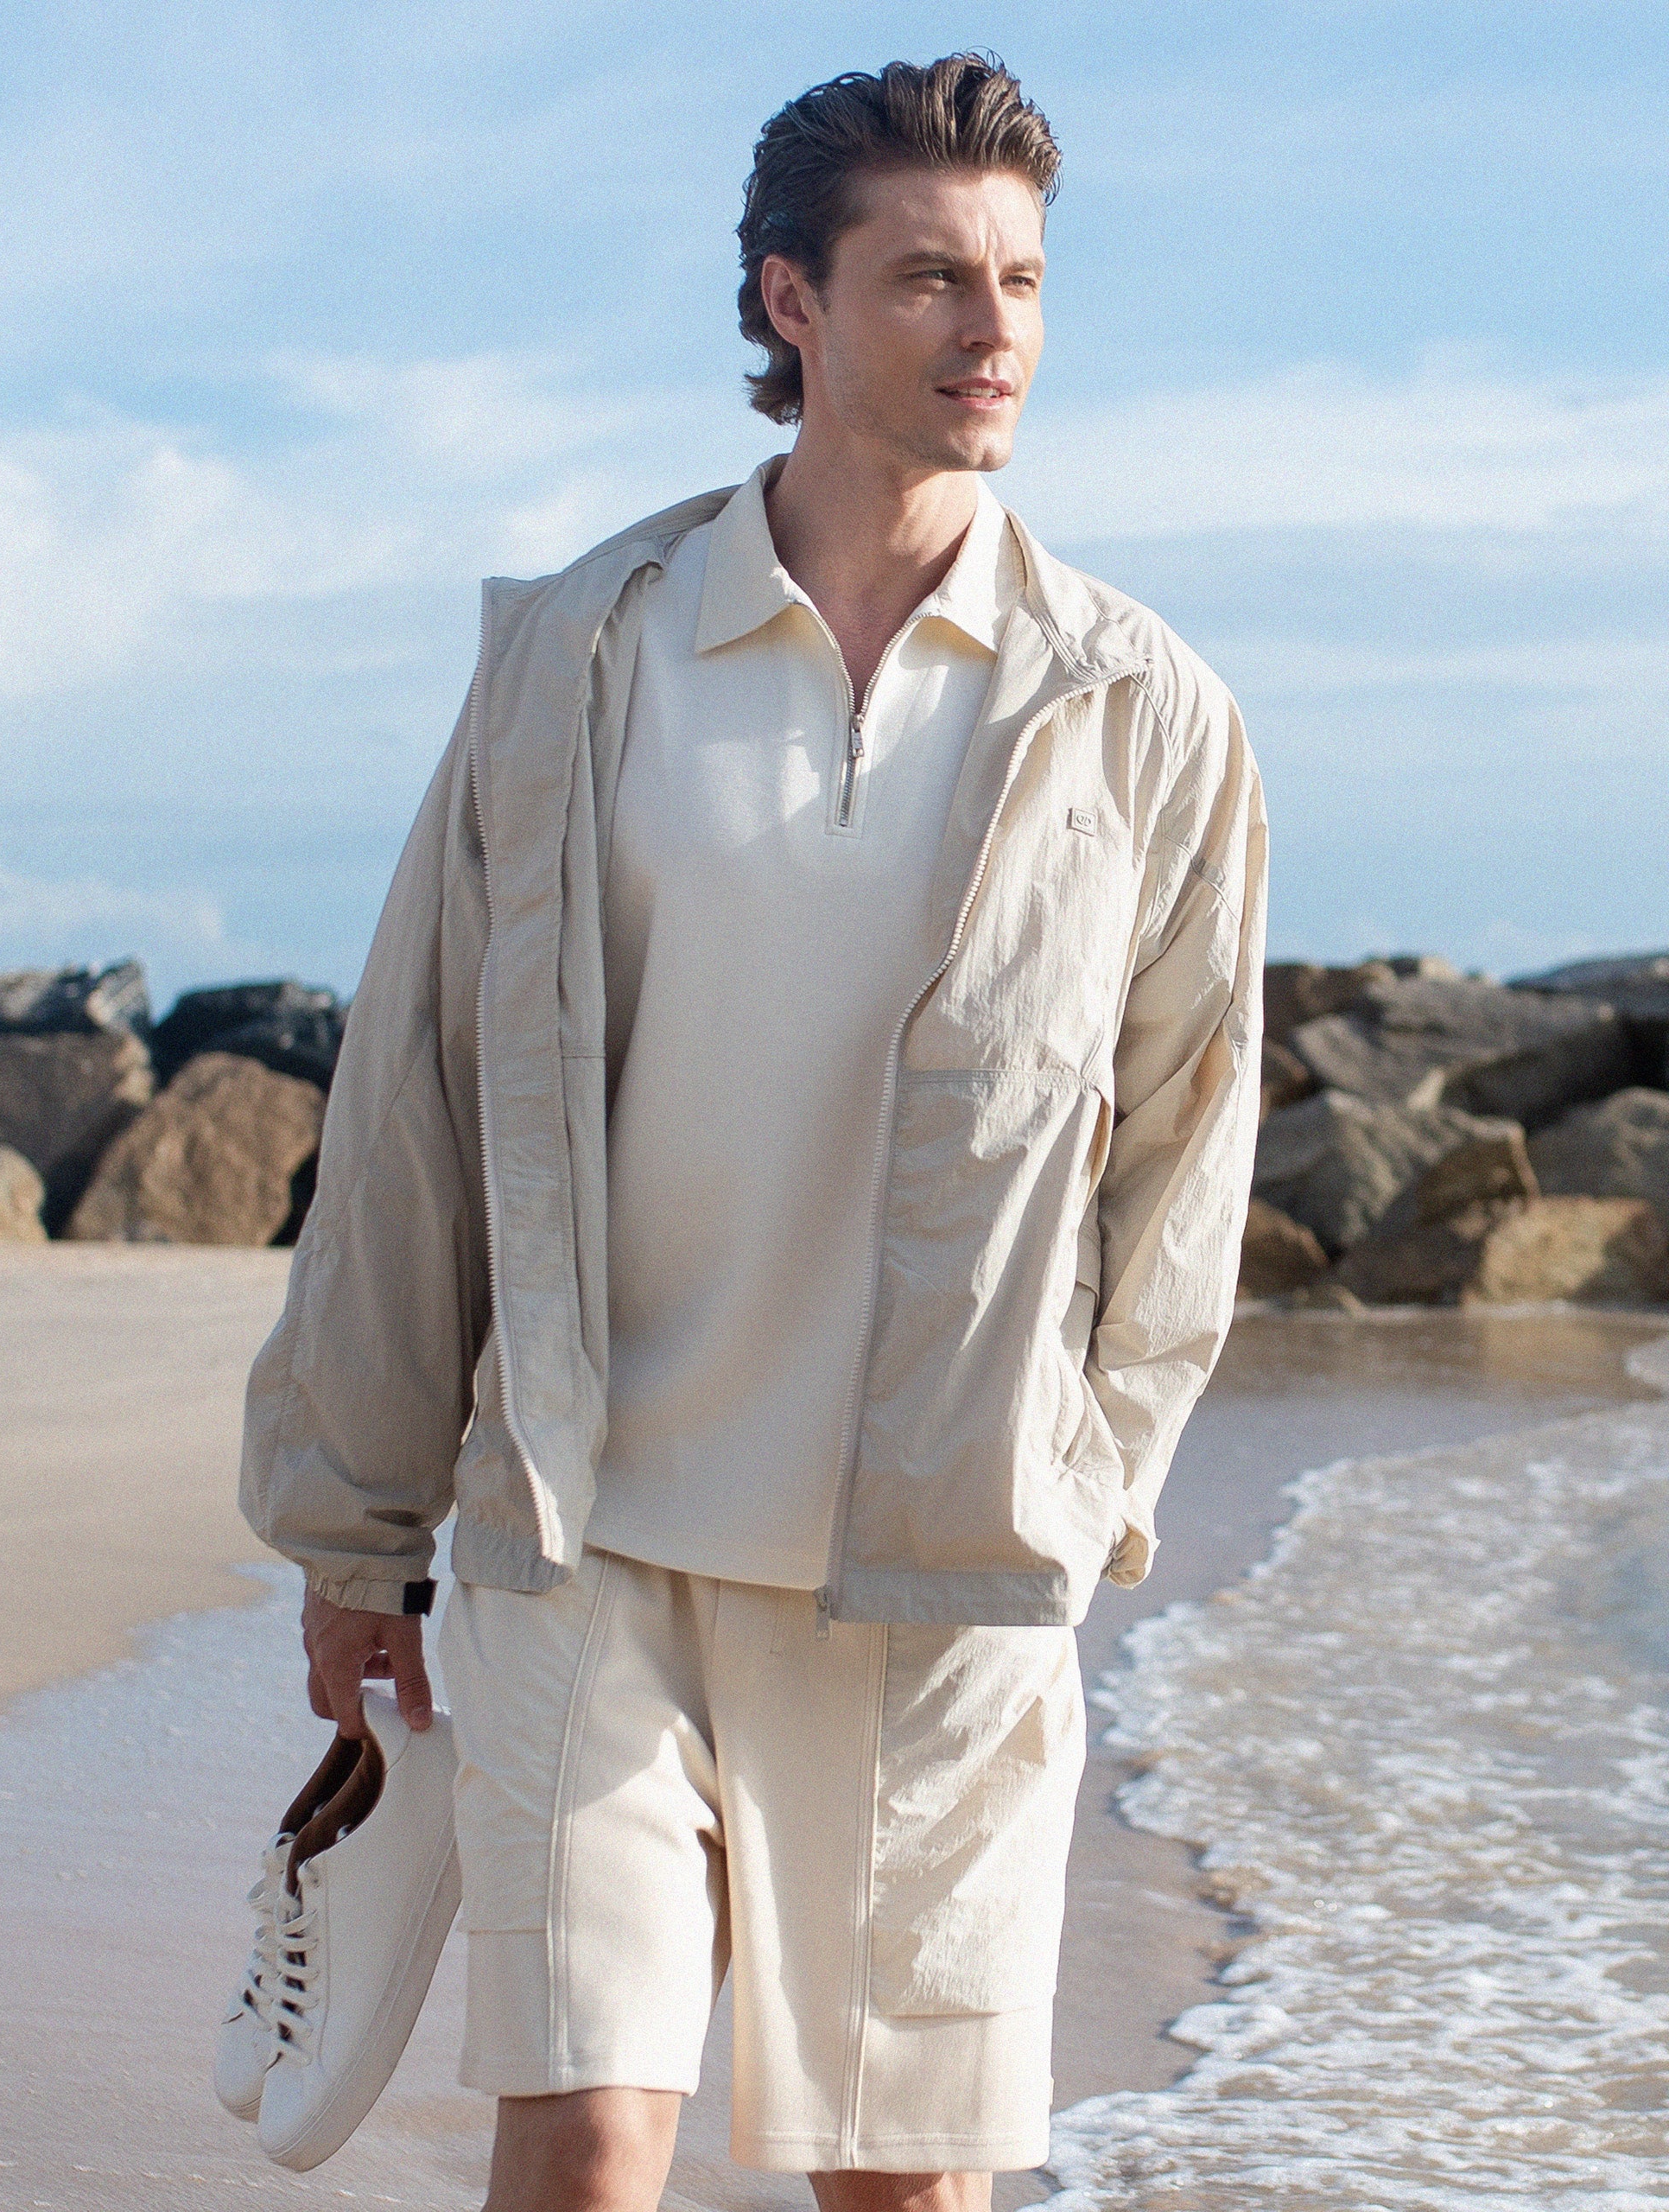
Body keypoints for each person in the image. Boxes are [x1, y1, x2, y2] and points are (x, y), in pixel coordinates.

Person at [243, 53, 1266, 2212]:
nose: (991, 330)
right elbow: (417, 1091)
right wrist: (353, 1530)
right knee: (584, 2138)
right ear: (791, 300)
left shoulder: (1138, 704)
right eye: (928, 279)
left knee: (899, 2185)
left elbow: (1188, 1154)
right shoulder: (580, 652)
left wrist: (1086, 1490)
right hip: (588, 1539)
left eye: (1020, 280)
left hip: (935, 1577)